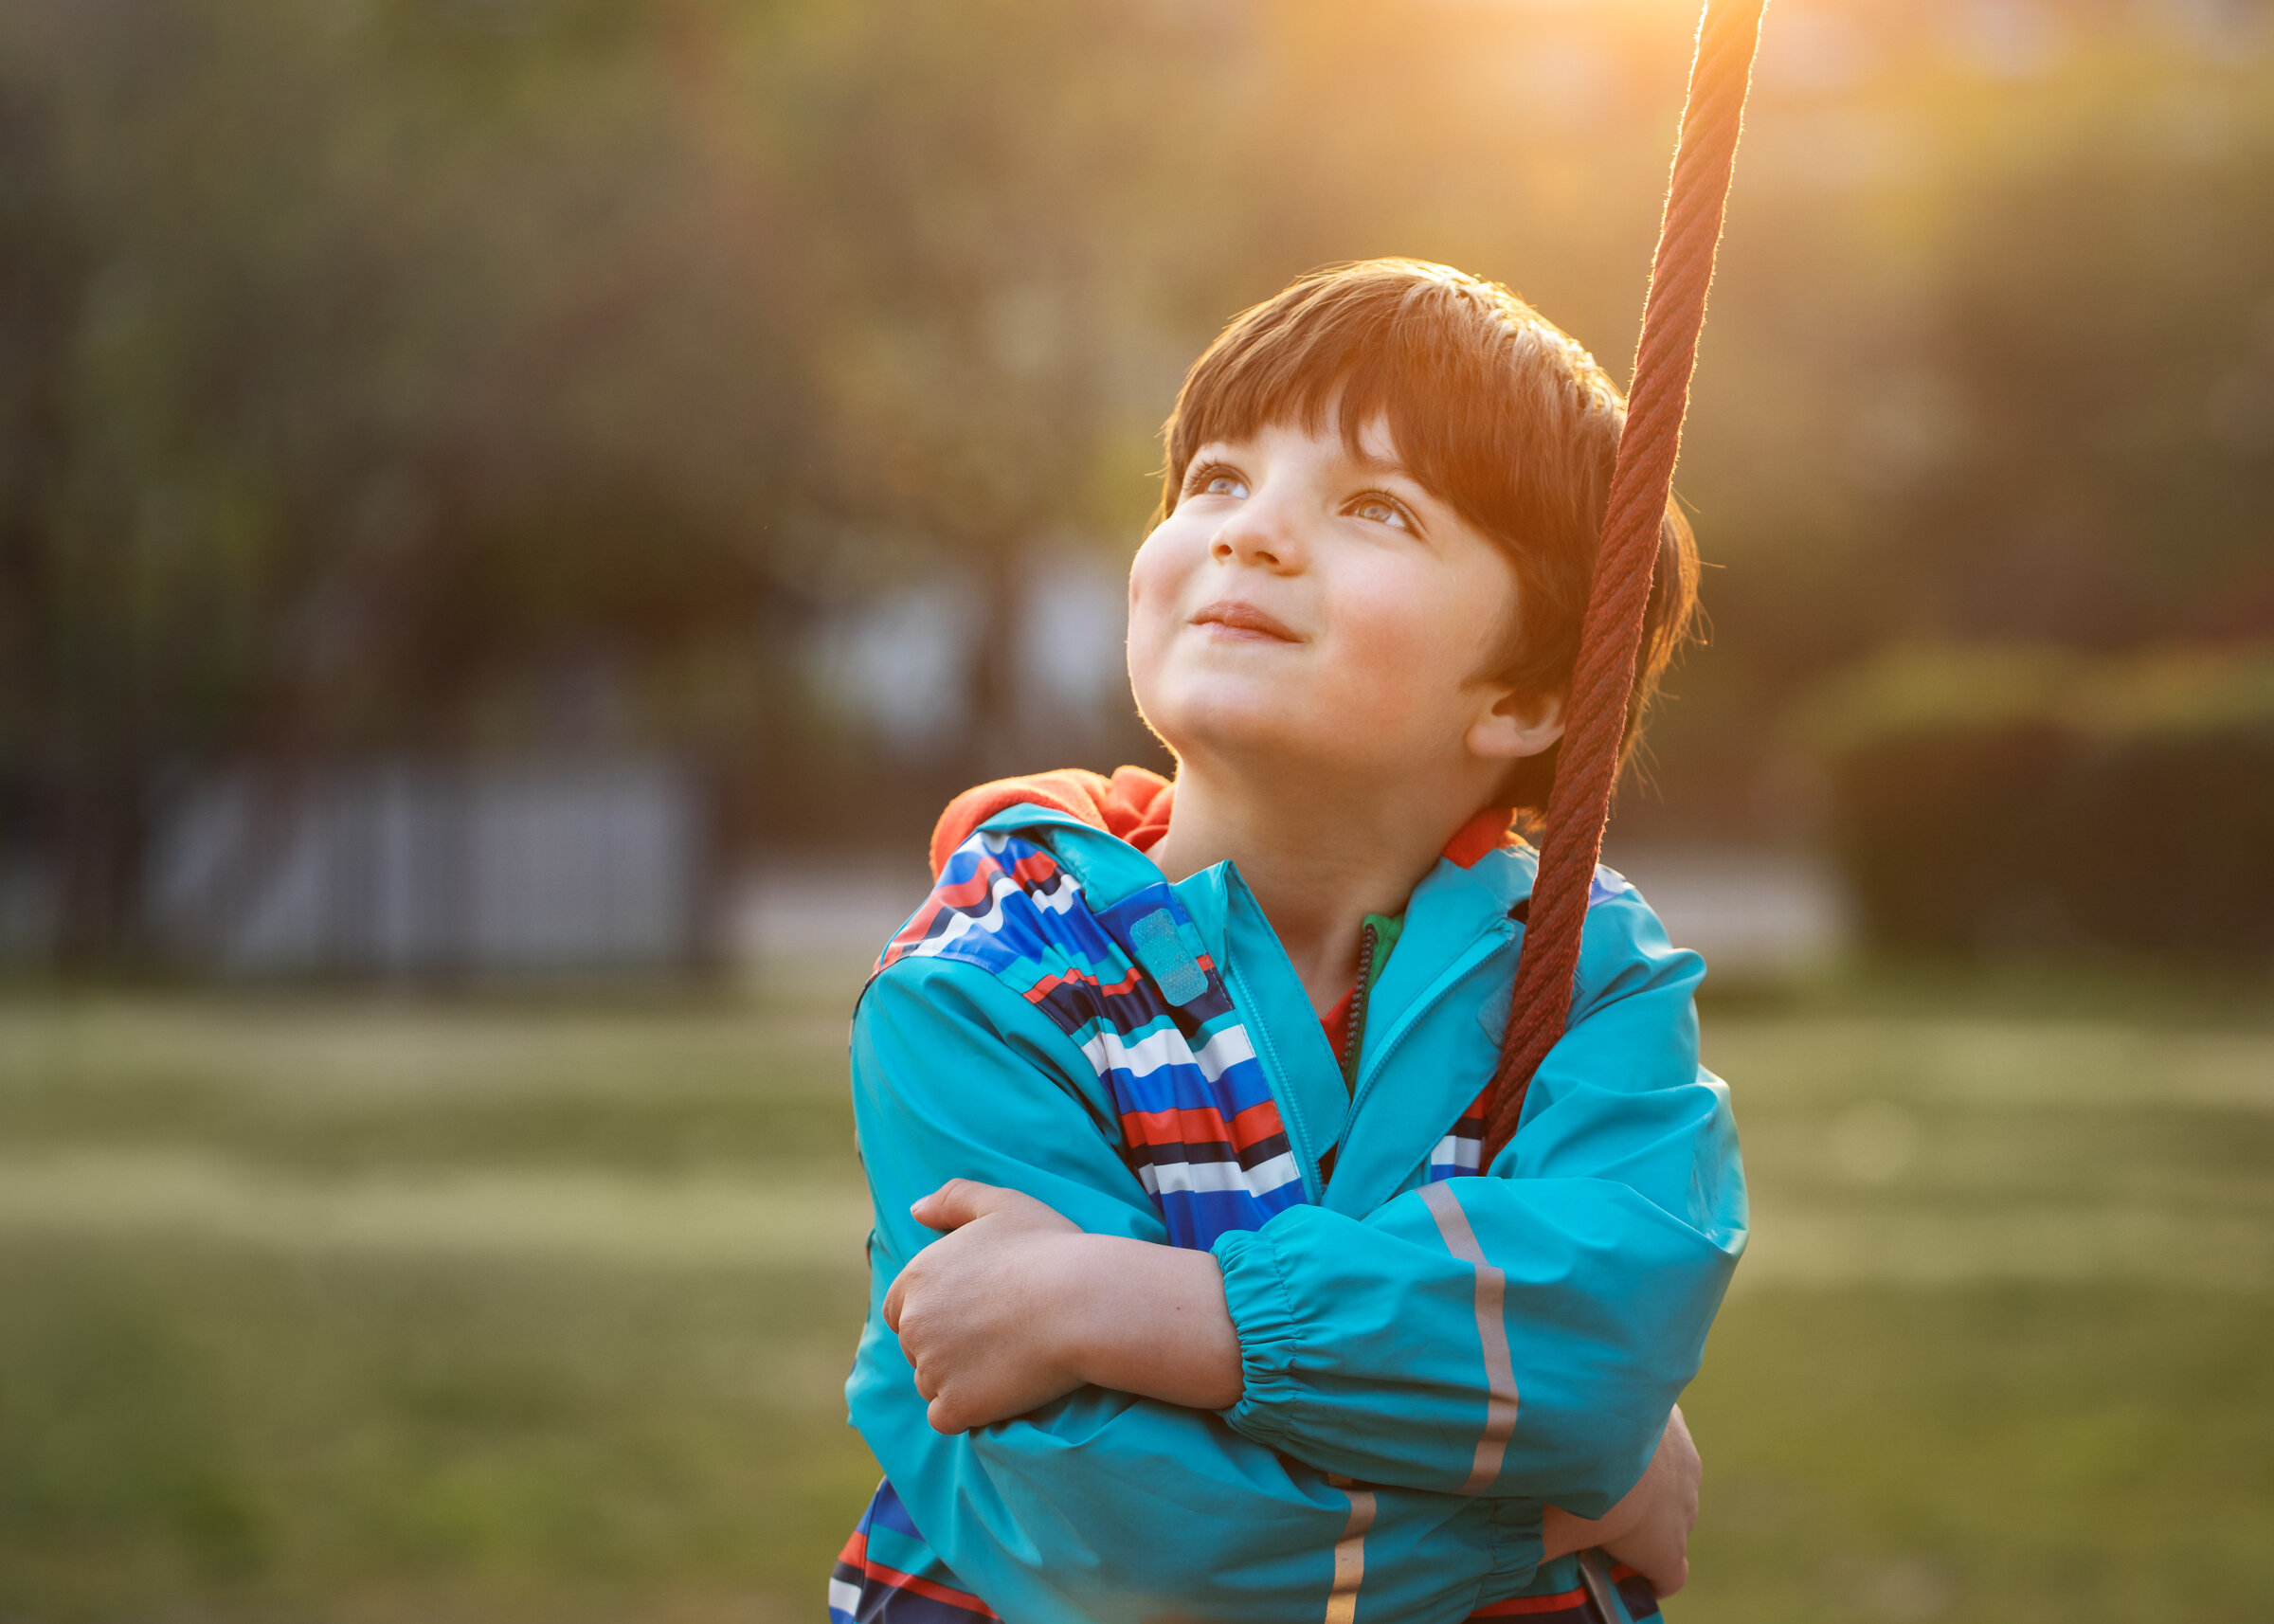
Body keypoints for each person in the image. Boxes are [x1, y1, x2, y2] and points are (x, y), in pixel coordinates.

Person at [830, 259, 1747, 1624]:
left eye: (1375, 506)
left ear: (1530, 693)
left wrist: (1134, 1306)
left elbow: (1595, 1352)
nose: (1249, 532)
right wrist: (1558, 1508)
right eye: (1214, 478)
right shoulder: (986, 980)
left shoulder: (1588, 978)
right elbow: (1121, 1547)